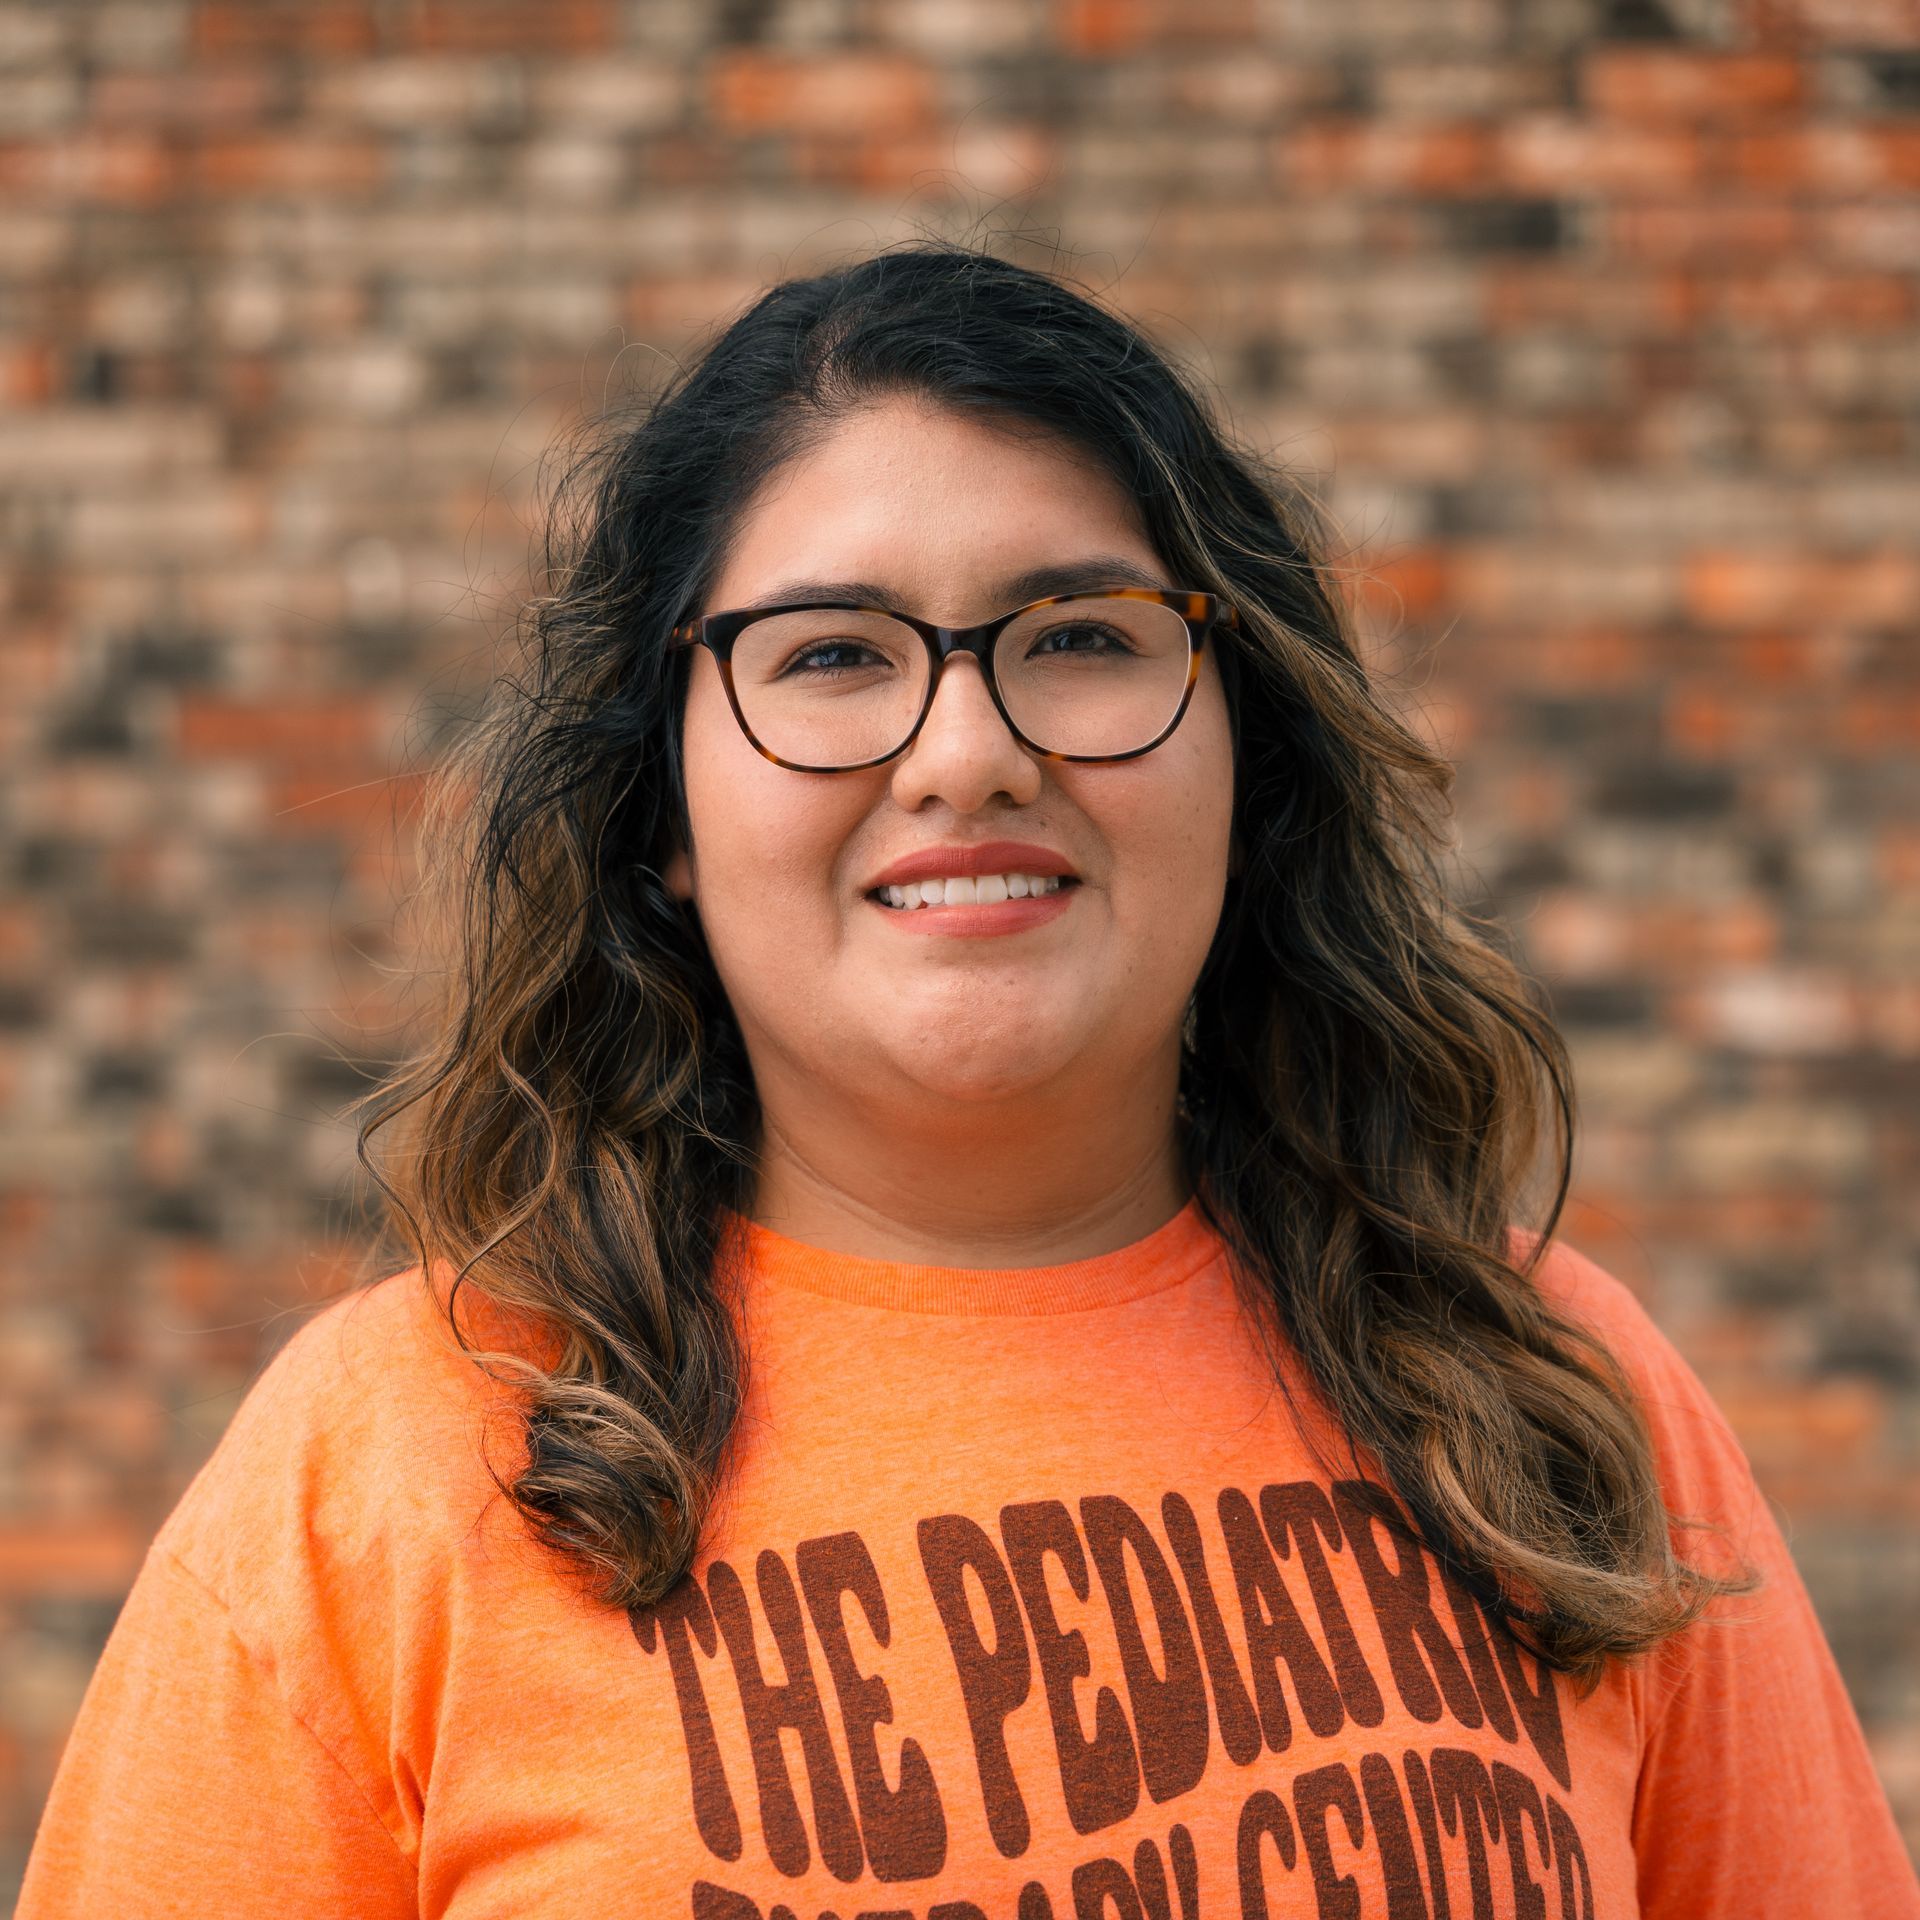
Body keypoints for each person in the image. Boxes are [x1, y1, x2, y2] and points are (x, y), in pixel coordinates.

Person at [18, 241, 1919, 1919]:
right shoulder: (398, 1466)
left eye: (1079, 638)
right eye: (832, 653)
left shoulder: (1555, 1394)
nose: (968, 750)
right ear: (661, 809)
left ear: (1239, 759)